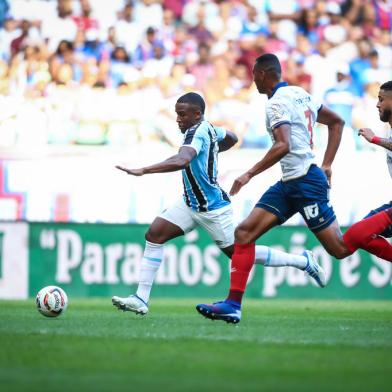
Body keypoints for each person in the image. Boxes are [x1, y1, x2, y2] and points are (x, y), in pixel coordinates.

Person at [196, 55, 392, 324]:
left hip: (306, 184)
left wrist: (248, 174)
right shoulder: (300, 93)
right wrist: (327, 164)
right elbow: (337, 123)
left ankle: (387, 217)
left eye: (254, 74)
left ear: (265, 74)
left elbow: (283, 145)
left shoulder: (276, 103)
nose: (252, 80)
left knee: (339, 249)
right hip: (291, 182)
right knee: (243, 234)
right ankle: (233, 304)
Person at [111, 92, 326, 316]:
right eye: (176, 114)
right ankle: (141, 298)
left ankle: (302, 261)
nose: (178, 119)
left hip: (212, 208)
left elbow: (182, 160)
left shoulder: (196, 132)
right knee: (155, 234)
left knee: (239, 253)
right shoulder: (209, 129)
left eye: (182, 115)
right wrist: (211, 149)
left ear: (197, 115)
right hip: (189, 204)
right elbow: (232, 137)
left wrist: (144, 170)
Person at [343, 81, 392, 260]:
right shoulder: (389, 130)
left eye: (381, 100)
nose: (377, 104)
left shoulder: (383, 137)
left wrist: (375, 139)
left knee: (356, 235)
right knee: (359, 235)